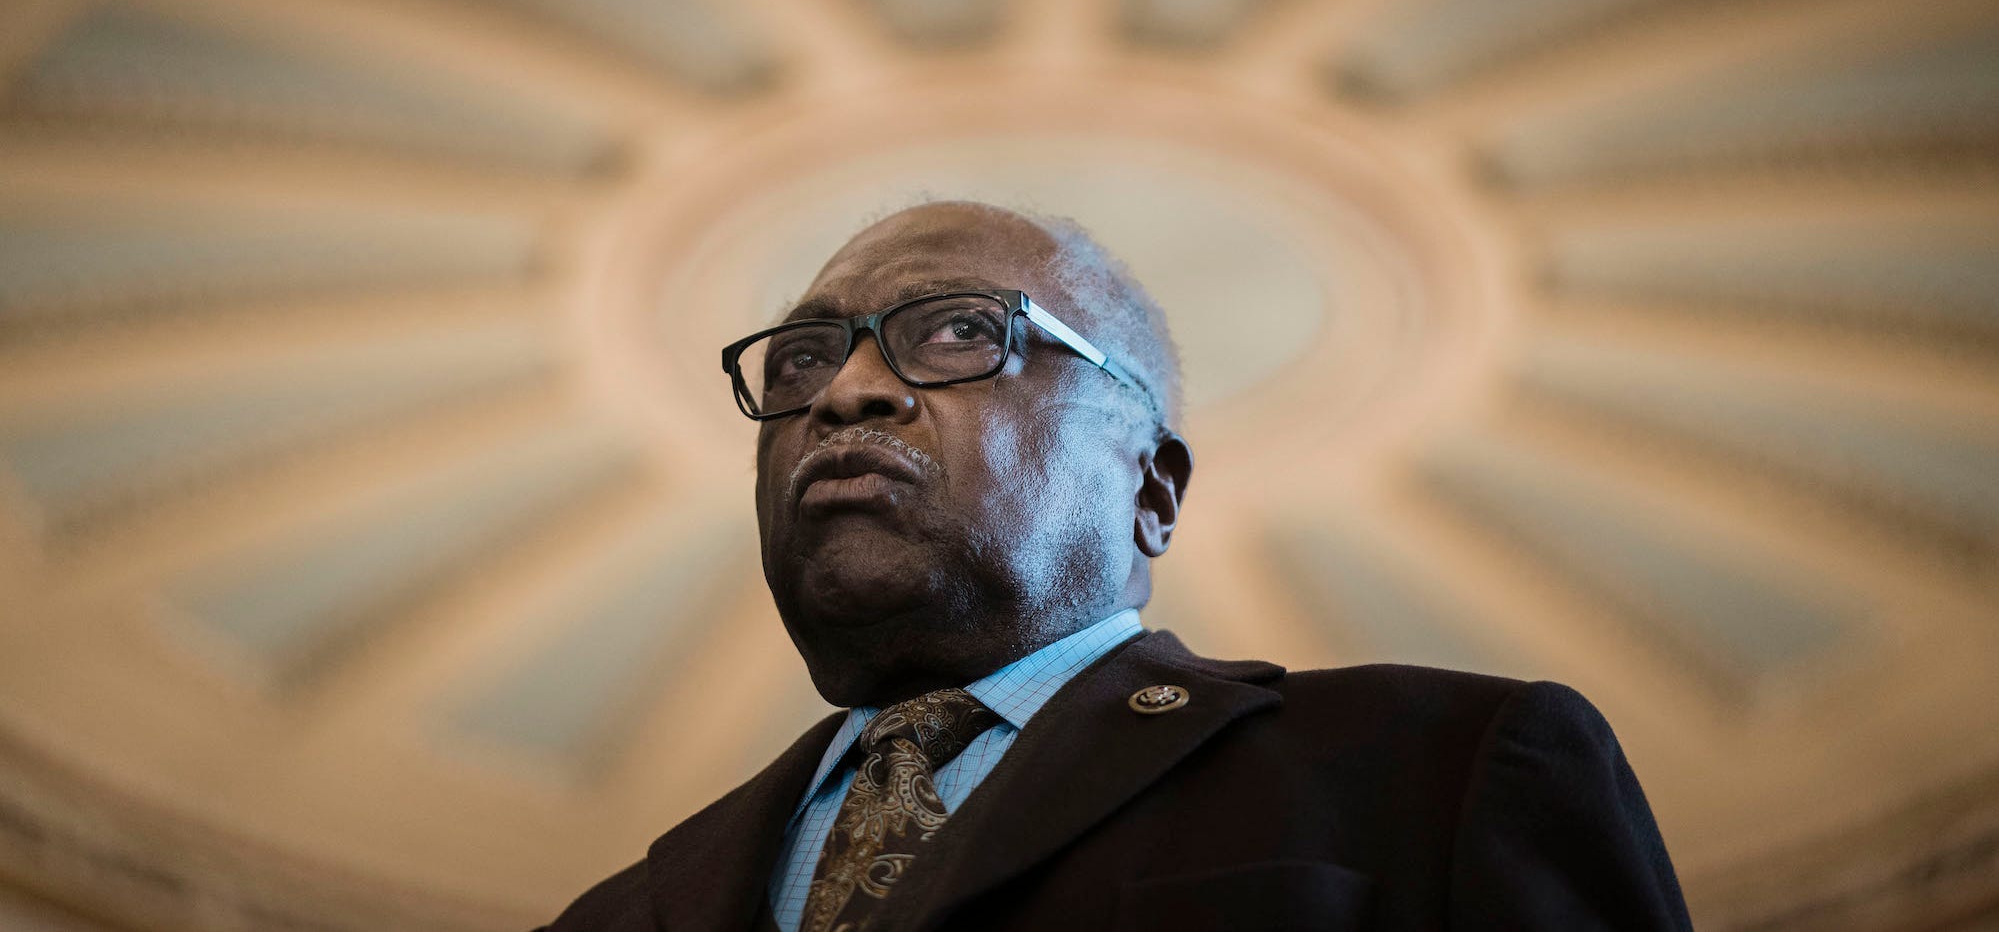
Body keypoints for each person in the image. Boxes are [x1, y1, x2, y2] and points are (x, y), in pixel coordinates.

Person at [542, 201, 1692, 931]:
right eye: (799, 359)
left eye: (955, 332)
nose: (843, 390)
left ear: (1151, 488)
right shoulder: (614, 914)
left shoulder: (1444, 769)